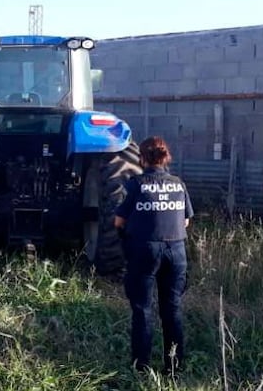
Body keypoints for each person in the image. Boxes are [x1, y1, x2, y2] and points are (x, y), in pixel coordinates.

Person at [114, 136, 194, 375]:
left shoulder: (136, 184)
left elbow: (119, 220)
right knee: (172, 310)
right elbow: (186, 220)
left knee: (143, 310)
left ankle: (141, 369)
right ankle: (173, 368)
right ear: (165, 157)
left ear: (142, 158)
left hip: (145, 251)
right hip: (177, 251)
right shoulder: (178, 183)